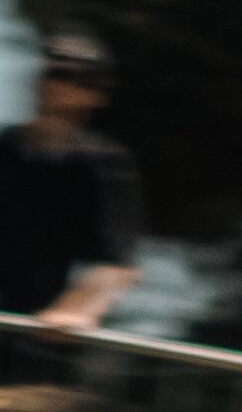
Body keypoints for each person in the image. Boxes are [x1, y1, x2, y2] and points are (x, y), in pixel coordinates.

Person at [0, 35, 142, 339]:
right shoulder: (7, 148)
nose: (54, 85)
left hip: (39, 338)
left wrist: (77, 309)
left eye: (69, 76)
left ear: (97, 94)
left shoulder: (102, 164)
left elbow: (117, 264)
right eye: (51, 72)